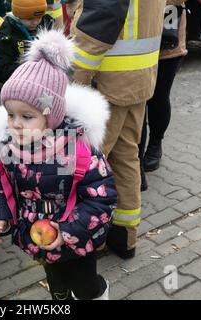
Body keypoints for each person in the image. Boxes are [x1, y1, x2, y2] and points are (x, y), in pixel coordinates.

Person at [0, 30, 117, 300]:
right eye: (10, 114)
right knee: (58, 286)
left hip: (76, 241)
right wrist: (0, 217)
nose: (15, 123)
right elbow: (0, 186)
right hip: (38, 240)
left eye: (26, 116)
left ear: (50, 116)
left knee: (85, 287)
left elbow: (102, 200)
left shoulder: (78, 152)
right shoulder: (10, 151)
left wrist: (68, 233)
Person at [71, 0, 166, 259]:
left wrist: (74, 79)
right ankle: (124, 237)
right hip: (139, 77)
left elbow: (102, 15)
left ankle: (90, 241)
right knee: (126, 157)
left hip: (105, 83)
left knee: (87, 166)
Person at [139, 0, 188, 190]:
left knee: (158, 98)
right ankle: (136, 157)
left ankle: (155, 144)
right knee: (138, 103)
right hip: (138, 45)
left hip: (167, 46)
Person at [0, 0, 54, 83]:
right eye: (30, 19)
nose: (35, 22)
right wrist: (30, 68)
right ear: (18, 15)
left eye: (39, 17)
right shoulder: (8, 35)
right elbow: (1, 70)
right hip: (21, 85)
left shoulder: (47, 24)